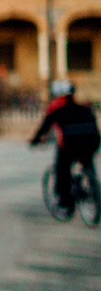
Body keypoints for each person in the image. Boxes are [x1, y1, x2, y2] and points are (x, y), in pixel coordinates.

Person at [30, 80, 99, 218]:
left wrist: (35, 140)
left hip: (71, 145)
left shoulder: (57, 110)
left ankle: (64, 201)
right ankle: (92, 186)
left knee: (61, 167)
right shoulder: (85, 108)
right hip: (92, 142)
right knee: (87, 160)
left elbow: (44, 127)